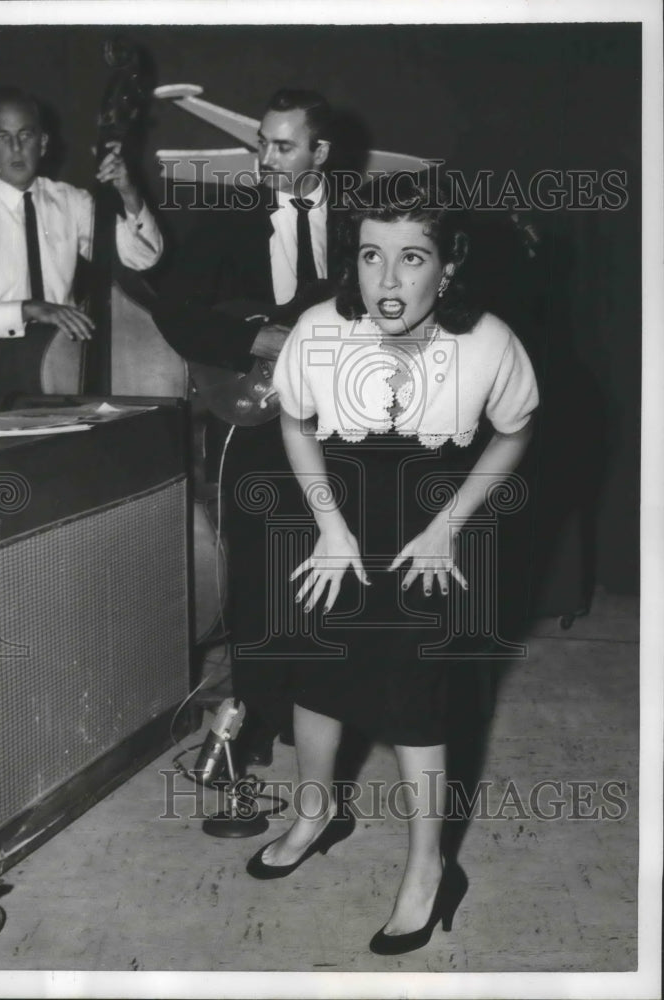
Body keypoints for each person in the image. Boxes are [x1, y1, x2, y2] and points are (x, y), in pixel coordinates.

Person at [248, 172, 539, 957]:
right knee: (316, 667)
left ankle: (429, 867)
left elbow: (514, 432)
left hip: (432, 531)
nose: (387, 278)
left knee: (416, 694)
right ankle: (315, 812)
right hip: (335, 520)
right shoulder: (317, 329)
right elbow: (296, 421)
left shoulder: (487, 343)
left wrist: (449, 525)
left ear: (447, 268)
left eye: (411, 258)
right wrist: (328, 528)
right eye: (371, 255)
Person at [153, 88, 343, 769]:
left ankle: (325, 712)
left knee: (333, 565)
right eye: (260, 142)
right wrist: (251, 338)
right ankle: (258, 713)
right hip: (256, 418)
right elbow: (172, 310)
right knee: (260, 572)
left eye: (282, 146)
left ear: (321, 151)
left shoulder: (363, 225)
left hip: (342, 419)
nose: (264, 158)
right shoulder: (229, 220)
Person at [0, 85, 162, 354]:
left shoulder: (70, 201)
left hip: (63, 358)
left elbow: (142, 258)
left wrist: (128, 192)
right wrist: (29, 309)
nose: (16, 147)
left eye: (25, 134)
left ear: (43, 143)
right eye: (2, 137)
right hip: (1, 366)